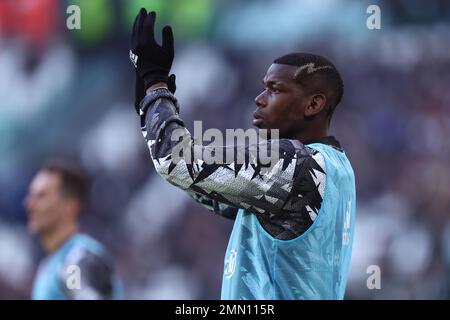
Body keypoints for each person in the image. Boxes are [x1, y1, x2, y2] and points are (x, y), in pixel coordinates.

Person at [130, 9, 356, 299]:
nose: (259, 99)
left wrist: (155, 85)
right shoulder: (338, 166)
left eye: (275, 90)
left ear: (312, 105)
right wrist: (150, 106)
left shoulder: (297, 164)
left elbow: (178, 163)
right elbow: (209, 188)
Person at [25, 162, 122, 300]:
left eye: (41, 196)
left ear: (70, 206)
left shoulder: (75, 260)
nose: (29, 204)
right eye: (30, 196)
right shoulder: (48, 266)